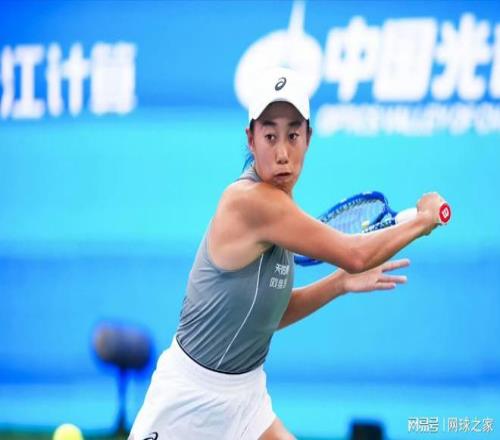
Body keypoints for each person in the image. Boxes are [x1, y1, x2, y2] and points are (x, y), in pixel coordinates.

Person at [129, 67, 447, 440]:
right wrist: (425, 220)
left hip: (247, 395)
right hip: (190, 401)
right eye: (270, 136)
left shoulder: (283, 211)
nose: (282, 153)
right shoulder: (249, 202)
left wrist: (339, 283)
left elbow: (268, 316)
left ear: (308, 138)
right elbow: (356, 256)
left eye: (293, 135)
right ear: (250, 139)